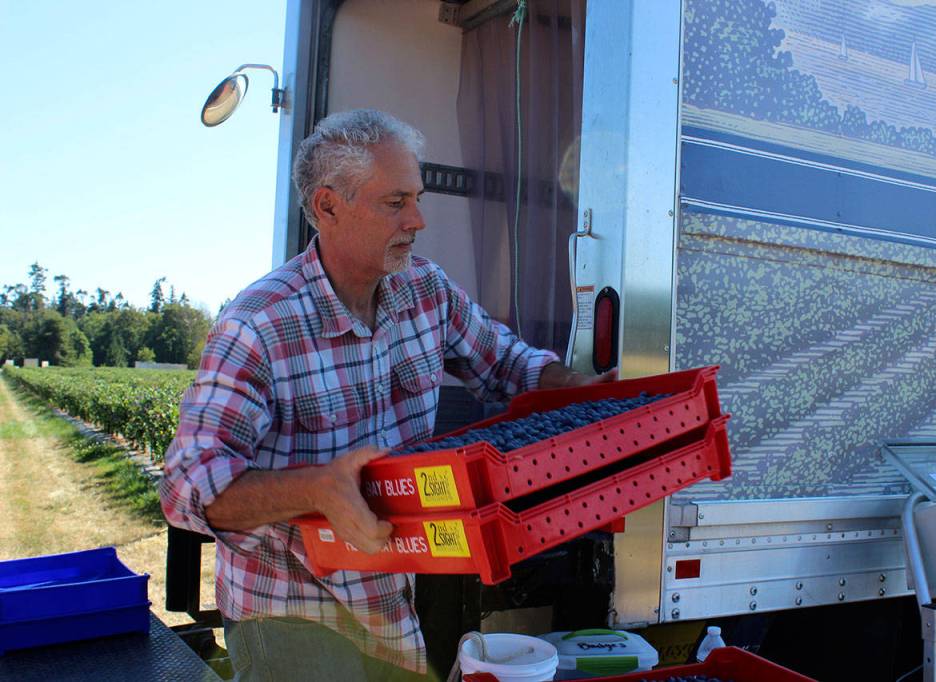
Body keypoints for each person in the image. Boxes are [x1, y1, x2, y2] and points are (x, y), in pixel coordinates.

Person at [160, 109, 610, 681]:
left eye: (417, 198)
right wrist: (316, 490)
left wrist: (576, 387)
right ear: (328, 207)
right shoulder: (257, 325)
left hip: (394, 598)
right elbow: (186, 488)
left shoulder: (425, 289)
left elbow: (507, 364)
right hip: (292, 617)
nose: (418, 220)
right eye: (395, 203)